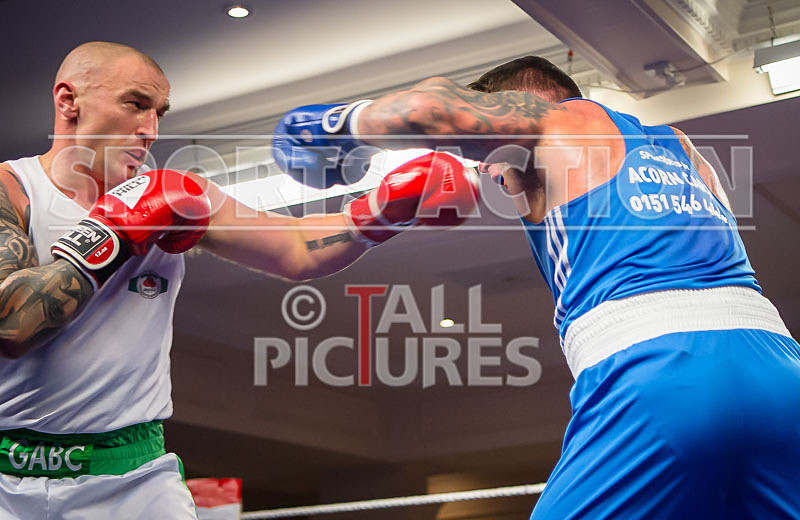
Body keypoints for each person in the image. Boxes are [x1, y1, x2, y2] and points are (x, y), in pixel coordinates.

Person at [273, 55, 800, 519]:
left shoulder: (557, 121)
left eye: (488, 160)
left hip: (660, 375)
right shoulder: (683, 147)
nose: (490, 175)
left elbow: (430, 108)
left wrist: (340, 128)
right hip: (780, 374)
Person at [0, 41, 479, 519]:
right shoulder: (13, 190)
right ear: (69, 100)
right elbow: (11, 326)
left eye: (159, 113)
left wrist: (385, 210)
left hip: (133, 479)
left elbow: (295, 248)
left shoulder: (181, 194)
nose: (150, 130)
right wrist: (117, 231)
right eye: (135, 104)